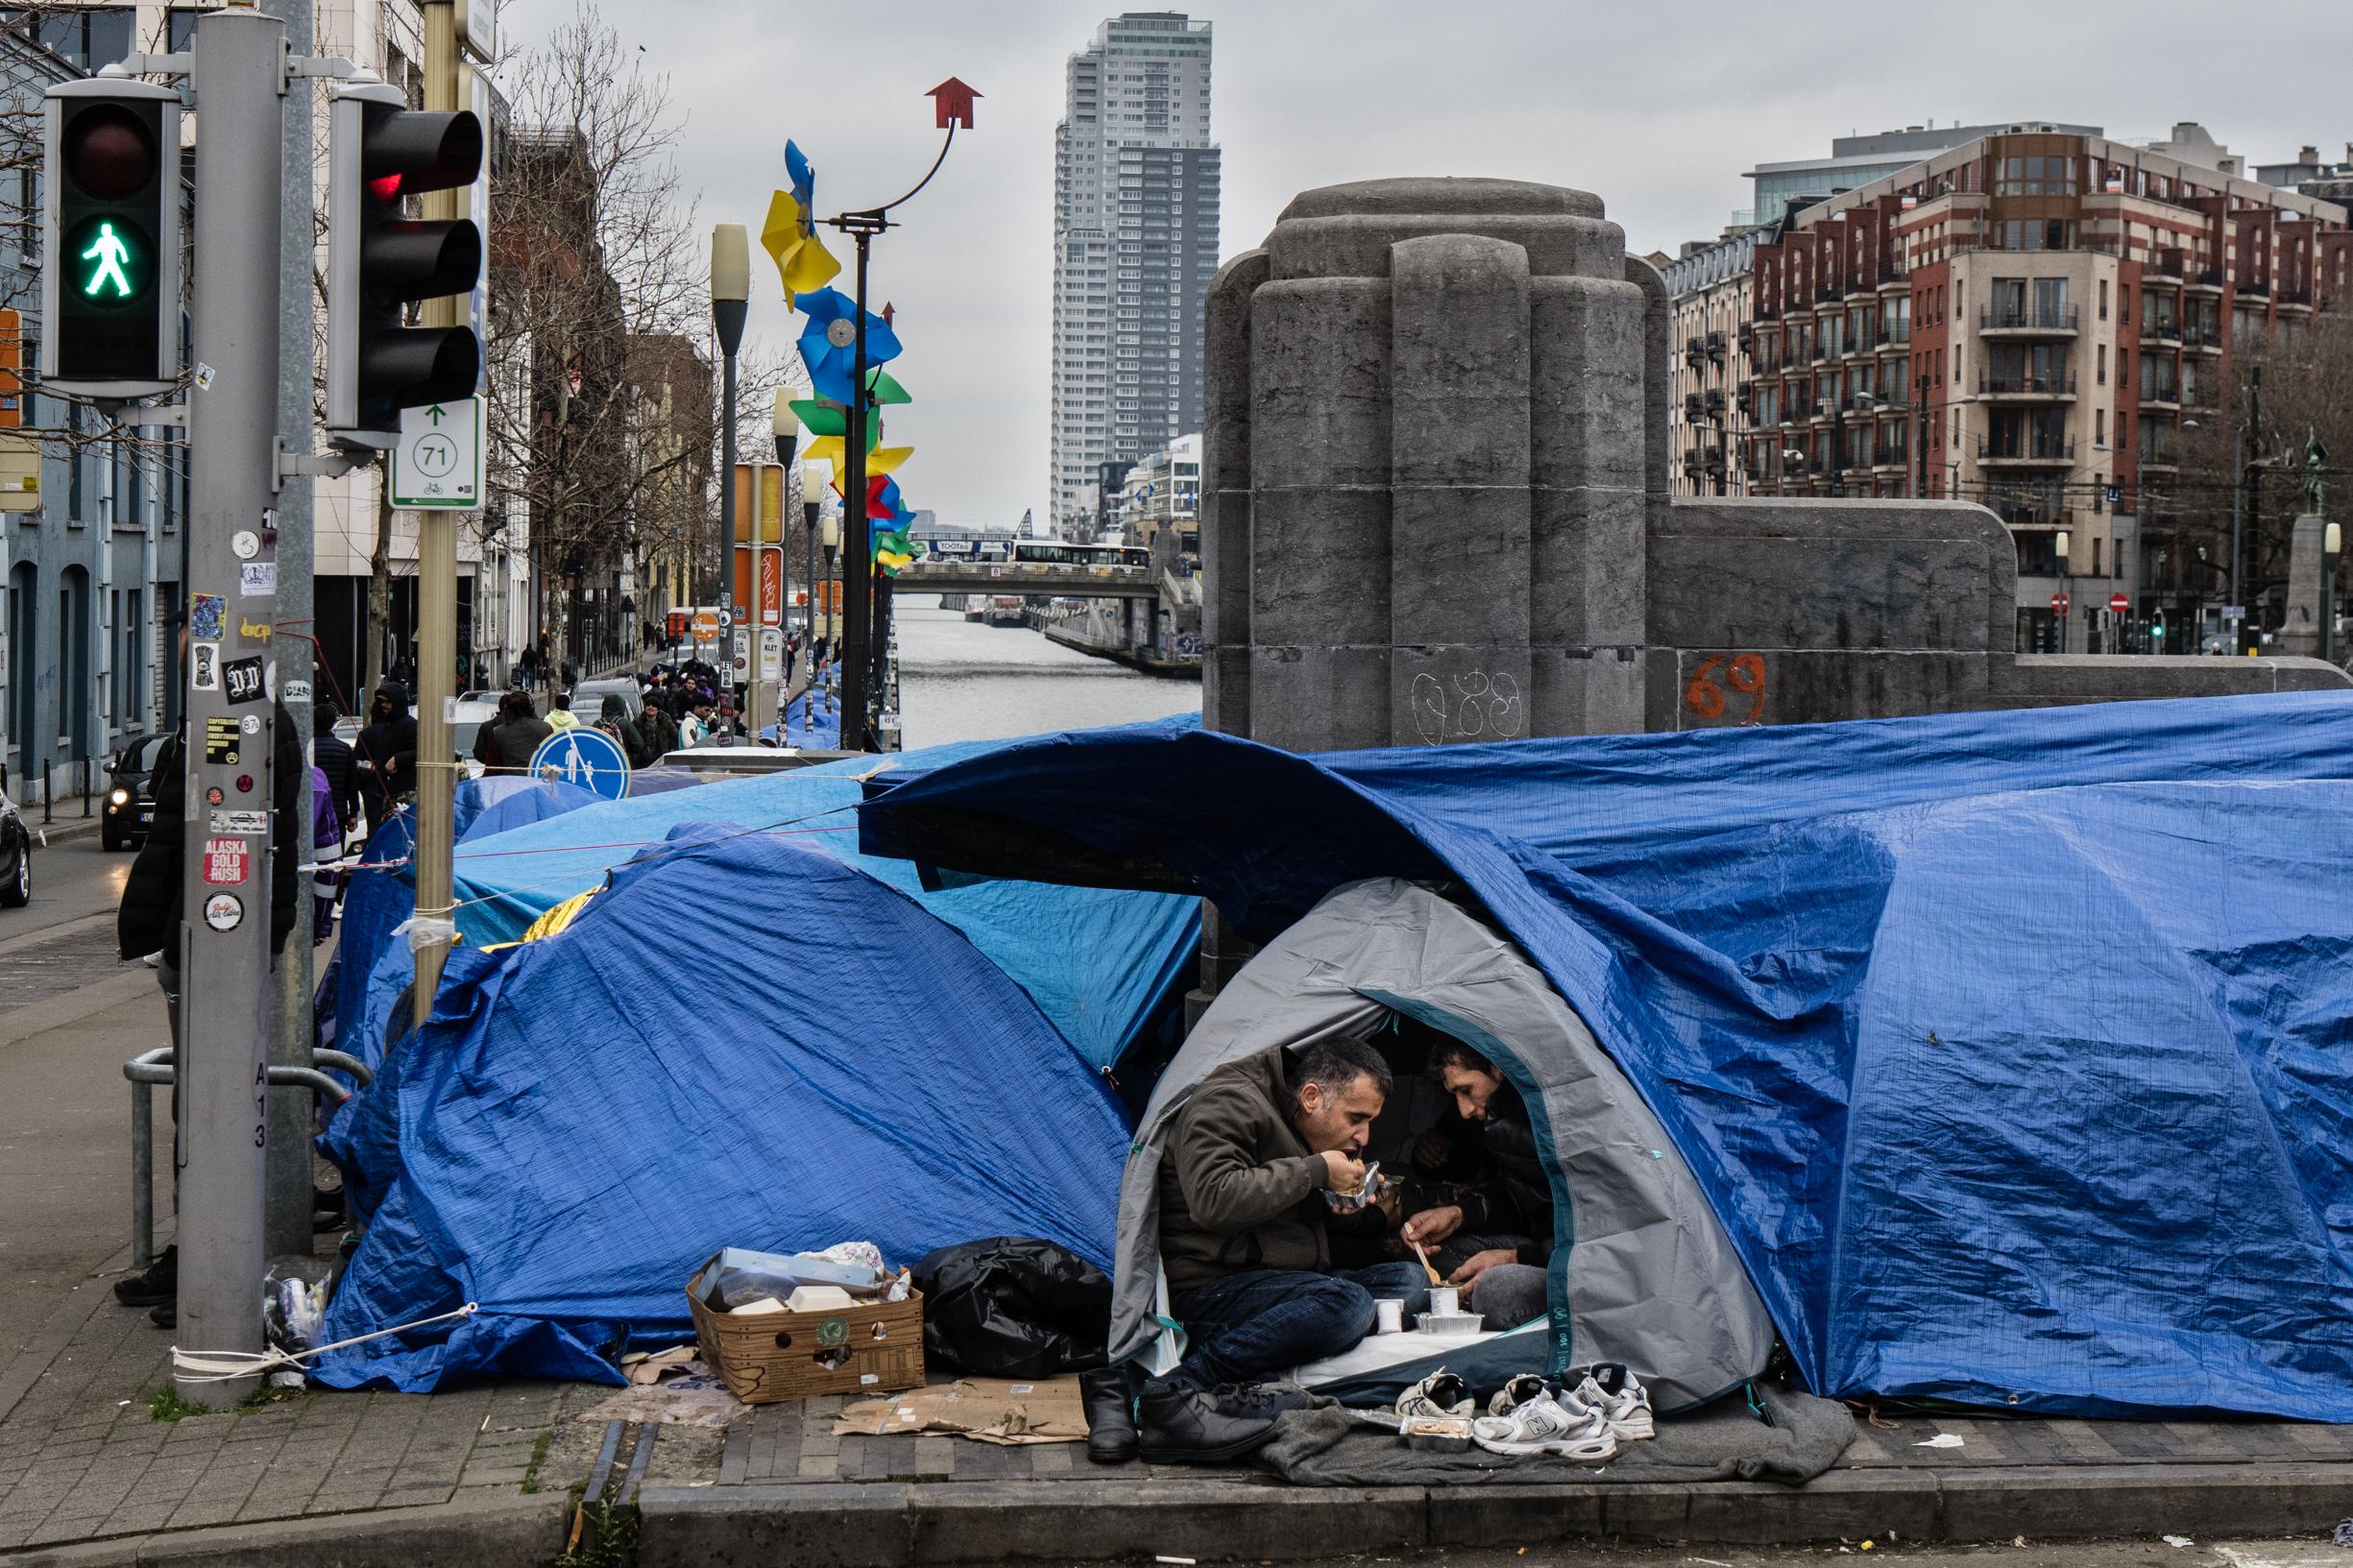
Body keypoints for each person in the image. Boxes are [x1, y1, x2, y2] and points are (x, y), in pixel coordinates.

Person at [114, 624, 307, 1328]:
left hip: (207, 943)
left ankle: (212, 1260)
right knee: (197, 1102)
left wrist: (174, 940)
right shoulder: (218, 723)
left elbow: (240, 840)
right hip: (194, 940)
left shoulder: (241, 725)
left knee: (211, 1101)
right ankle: (196, 1249)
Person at [1128, 1037, 1429, 1461]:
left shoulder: (1296, 1117)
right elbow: (1214, 1199)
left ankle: (1274, 1361)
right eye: (1357, 1118)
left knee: (1407, 1280)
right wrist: (1317, 1170)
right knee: (1350, 1304)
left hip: (1284, 1282)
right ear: (1310, 1097)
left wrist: (1370, 1213)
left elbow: (1288, 1217)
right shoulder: (1228, 1101)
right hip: (1212, 1289)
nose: (1364, 1137)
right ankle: (1182, 1385)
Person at [1398, 1043, 1552, 1334]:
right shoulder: (1502, 1123)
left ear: (1498, 1068)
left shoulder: (1558, 1114)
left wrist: (1515, 1258)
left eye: (1466, 1090)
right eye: (1455, 1094)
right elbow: (1522, 1200)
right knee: (1439, 1254)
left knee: (1495, 1292)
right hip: (1539, 1248)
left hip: (1578, 1267)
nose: (1464, 1110)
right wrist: (1459, 1214)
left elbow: (1599, 1235)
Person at [352, 680, 417, 836]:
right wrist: (374, 766)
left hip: (404, 795)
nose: (383, 706)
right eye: (381, 702)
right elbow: (384, 758)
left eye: (387, 702)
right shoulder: (386, 728)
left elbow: (422, 751)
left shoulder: (410, 725)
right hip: (385, 794)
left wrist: (398, 759)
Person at [311, 699, 358, 840]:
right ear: (333, 723)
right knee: (335, 852)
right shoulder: (344, 749)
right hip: (337, 811)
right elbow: (352, 784)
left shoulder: (305, 748)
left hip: (310, 809)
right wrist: (353, 813)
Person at [477, 689, 553, 774]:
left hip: (510, 783)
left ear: (506, 711)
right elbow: (554, 758)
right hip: (539, 782)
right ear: (531, 709)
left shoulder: (497, 733)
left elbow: (492, 769)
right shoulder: (546, 728)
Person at [595, 693, 649, 768]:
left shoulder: (597, 724)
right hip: (622, 764)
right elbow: (639, 745)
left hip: (601, 765)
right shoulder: (625, 723)